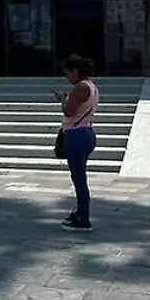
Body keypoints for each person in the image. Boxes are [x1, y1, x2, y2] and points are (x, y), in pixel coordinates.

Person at [52, 55, 99, 231]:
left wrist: (63, 101)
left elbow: (69, 111)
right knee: (79, 176)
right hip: (86, 132)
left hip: (77, 135)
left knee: (79, 178)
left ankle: (83, 217)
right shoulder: (91, 86)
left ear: (76, 71)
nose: (67, 78)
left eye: (68, 73)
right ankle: (80, 211)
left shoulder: (80, 87)